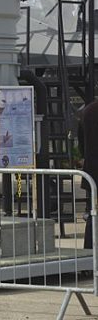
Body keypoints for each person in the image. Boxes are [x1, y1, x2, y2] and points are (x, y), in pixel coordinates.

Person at [80, 101, 98, 249]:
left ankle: (89, 253)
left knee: (93, 212)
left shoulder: (88, 111)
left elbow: (81, 144)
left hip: (92, 172)